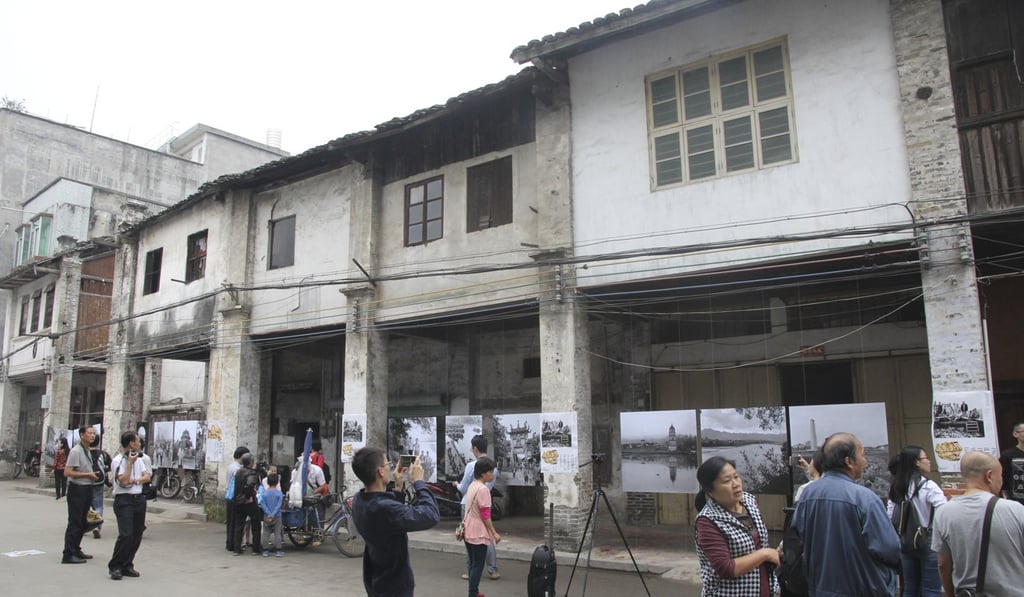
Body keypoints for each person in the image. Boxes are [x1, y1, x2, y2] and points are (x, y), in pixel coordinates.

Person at [791, 432, 900, 596]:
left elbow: (799, 535)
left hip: (820, 588)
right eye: (862, 455)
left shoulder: (807, 495)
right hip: (863, 588)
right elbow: (890, 548)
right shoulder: (865, 499)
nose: (865, 460)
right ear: (849, 461)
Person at [931, 451, 1024, 597]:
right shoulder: (1015, 510)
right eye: (1000, 476)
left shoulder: (943, 513)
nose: (1002, 481)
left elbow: (943, 564)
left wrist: (950, 594)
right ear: (989, 476)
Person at [351, 447, 440, 597]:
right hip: (394, 585)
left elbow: (390, 522)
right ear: (380, 471)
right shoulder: (384, 508)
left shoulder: (359, 500)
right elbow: (431, 516)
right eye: (388, 464)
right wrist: (419, 482)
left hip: (376, 578)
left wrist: (398, 488)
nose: (390, 467)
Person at [694, 456, 779, 597]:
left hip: (765, 589)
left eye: (736, 477)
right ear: (710, 491)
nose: (736, 484)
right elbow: (726, 569)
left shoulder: (749, 501)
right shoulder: (707, 521)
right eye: (727, 481)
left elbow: (759, 543)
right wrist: (765, 554)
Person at [886, 445, 947, 597]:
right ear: (916, 462)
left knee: (909, 587)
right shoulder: (927, 486)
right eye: (925, 458)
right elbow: (943, 511)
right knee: (931, 589)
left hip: (905, 541)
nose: (929, 461)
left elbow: (890, 515)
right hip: (927, 539)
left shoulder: (897, 487)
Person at [107, 430, 150, 580]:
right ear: (131, 443)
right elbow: (123, 480)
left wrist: (136, 480)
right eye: (137, 441)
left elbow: (147, 477)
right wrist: (130, 464)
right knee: (126, 534)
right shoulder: (118, 460)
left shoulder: (139, 459)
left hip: (138, 499)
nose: (139, 443)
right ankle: (115, 566)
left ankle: (127, 564)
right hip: (124, 500)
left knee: (137, 534)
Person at [457, 435, 500, 581]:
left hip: (469, 505)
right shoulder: (493, 467)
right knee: (487, 536)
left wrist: (455, 485)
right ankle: (492, 569)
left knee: (469, 538)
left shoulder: (471, 466)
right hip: (485, 501)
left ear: (475, 448)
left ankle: (471, 570)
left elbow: (463, 488)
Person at [463, 457, 503, 597]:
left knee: (473, 563)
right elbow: (485, 515)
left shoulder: (472, 486)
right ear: (483, 473)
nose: (492, 475)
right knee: (477, 566)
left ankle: (474, 591)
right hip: (478, 531)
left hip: (468, 528)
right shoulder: (483, 490)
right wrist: (493, 532)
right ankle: (473, 593)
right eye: (491, 472)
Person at [61, 426, 101, 564]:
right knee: (75, 521)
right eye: (89, 433)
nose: (92, 436)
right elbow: (67, 472)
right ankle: (68, 553)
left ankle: (76, 549)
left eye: (94, 433)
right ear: (82, 435)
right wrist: (87, 475)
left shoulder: (87, 450)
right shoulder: (76, 451)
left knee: (83, 521)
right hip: (77, 489)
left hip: (87, 488)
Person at [232, 452, 263, 557]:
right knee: (256, 525)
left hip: (238, 501)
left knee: (239, 525)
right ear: (251, 462)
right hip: (249, 502)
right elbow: (250, 485)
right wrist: (248, 496)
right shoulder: (252, 473)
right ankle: (256, 548)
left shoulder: (238, 472)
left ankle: (237, 548)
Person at [224, 446, 249, 552]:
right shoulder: (238, 469)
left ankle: (229, 543)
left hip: (229, 496)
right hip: (235, 497)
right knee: (236, 522)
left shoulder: (231, 466)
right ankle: (234, 544)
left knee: (230, 521)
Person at [90, 434, 112, 539]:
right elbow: (109, 467)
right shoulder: (103, 454)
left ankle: (84, 525)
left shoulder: (84, 453)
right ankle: (97, 527)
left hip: (86, 482)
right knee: (98, 505)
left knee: (86, 505)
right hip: (99, 481)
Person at [998, 421, 1024, 506]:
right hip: (1017, 502)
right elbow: (1003, 480)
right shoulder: (1007, 455)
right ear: (1015, 434)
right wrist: (1006, 499)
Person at [260, 472, 284, 558]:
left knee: (266, 533)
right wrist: (273, 514)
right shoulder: (279, 493)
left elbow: (262, 504)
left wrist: (268, 514)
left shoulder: (264, 493)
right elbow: (278, 505)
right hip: (277, 516)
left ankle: (265, 551)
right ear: (277, 482)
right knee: (278, 533)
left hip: (266, 516)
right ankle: (278, 551)